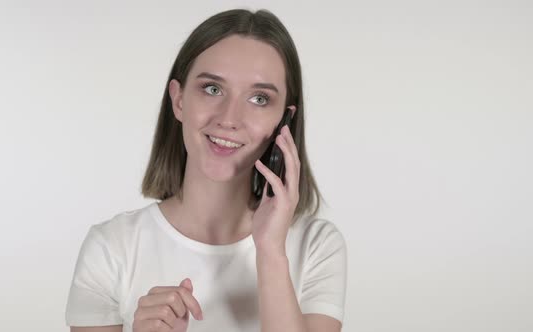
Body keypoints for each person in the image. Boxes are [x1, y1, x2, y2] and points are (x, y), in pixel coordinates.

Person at [65, 8, 347, 332]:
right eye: (213, 89)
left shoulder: (316, 246)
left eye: (258, 98)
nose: (229, 118)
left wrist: (270, 252)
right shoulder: (111, 248)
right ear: (179, 99)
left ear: (285, 120)